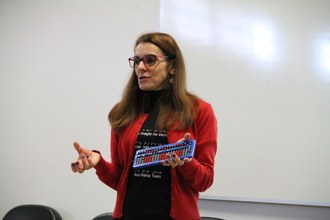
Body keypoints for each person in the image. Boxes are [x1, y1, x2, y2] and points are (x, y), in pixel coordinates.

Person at [71, 32, 217, 220]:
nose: (141, 67)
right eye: (137, 61)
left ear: (172, 66)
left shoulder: (199, 111)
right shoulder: (123, 112)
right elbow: (120, 180)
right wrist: (98, 163)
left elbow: (205, 180)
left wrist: (186, 163)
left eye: (150, 60)